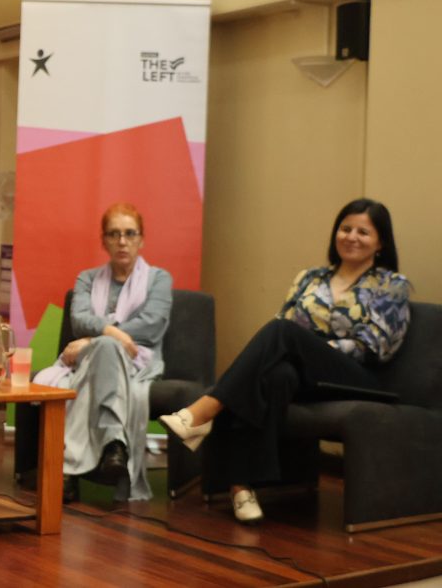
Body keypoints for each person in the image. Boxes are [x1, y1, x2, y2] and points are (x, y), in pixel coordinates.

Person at [160, 198, 411, 524]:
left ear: (381, 243)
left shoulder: (392, 285)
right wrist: (302, 348)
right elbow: (284, 329)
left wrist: (314, 347)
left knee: (283, 334)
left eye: (363, 232)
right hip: (307, 375)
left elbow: (377, 346)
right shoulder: (310, 278)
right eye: (345, 228)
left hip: (359, 376)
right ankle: (242, 486)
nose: (351, 237)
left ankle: (204, 410)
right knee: (278, 374)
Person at [33, 203, 172, 502]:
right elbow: (78, 319)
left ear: (141, 239)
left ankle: (67, 471)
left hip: (138, 360)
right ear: (103, 241)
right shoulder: (87, 279)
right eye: (114, 234)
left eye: (130, 233)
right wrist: (112, 335)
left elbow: (152, 325)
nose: (122, 241)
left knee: (101, 355)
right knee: (106, 347)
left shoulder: (159, 279)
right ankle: (113, 443)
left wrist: (95, 339)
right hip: (88, 359)